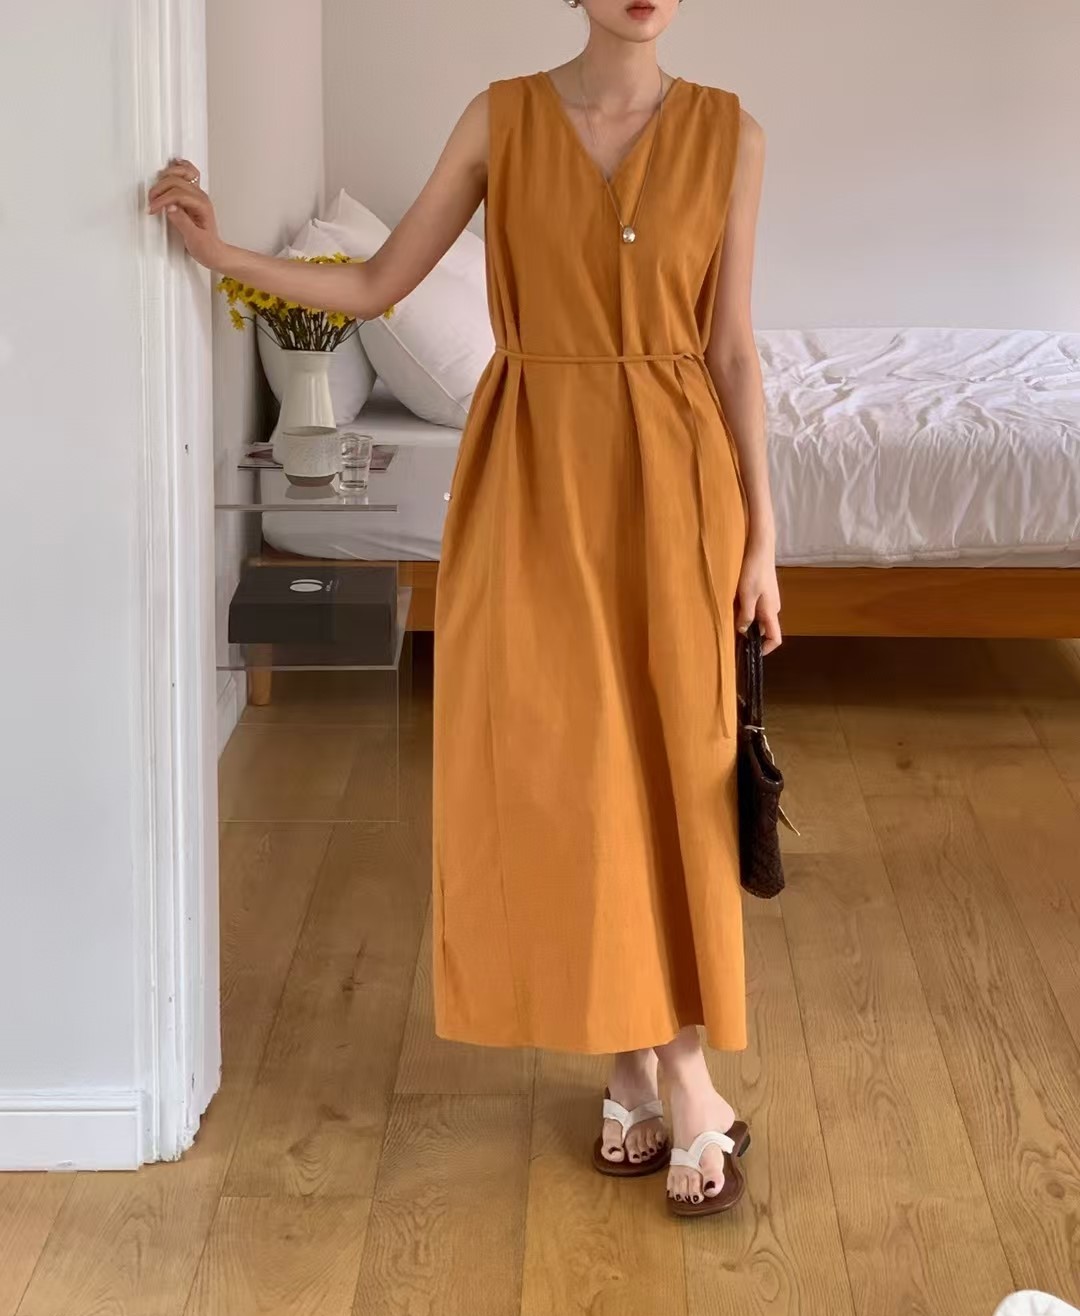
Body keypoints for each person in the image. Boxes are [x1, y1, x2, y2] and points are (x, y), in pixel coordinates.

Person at [149, 0, 780, 1218]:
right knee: (574, 770)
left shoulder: (732, 135)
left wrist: (766, 538)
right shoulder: (502, 120)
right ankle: (660, 1070)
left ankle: (660, 1071)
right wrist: (222, 257)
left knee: (676, 765)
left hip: (680, 481)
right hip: (533, 478)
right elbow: (379, 281)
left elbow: (734, 350)